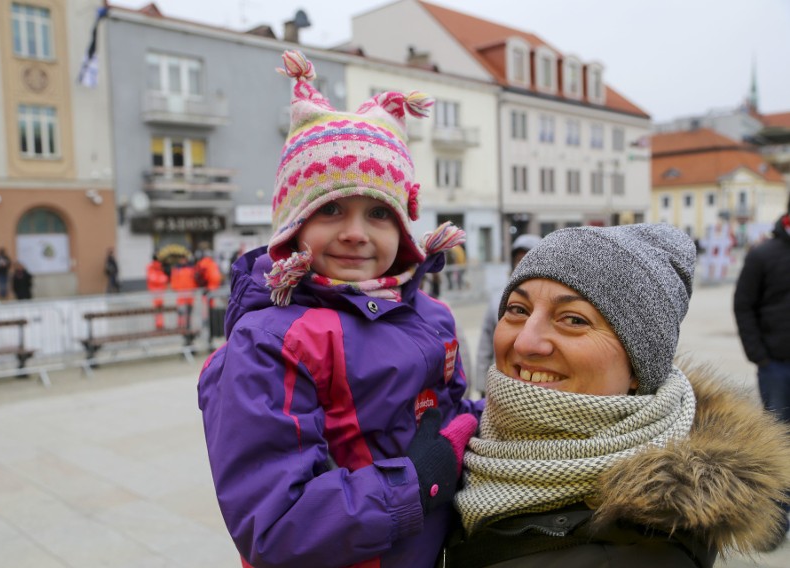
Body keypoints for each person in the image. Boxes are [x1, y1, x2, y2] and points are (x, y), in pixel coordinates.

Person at [198, 51, 482, 568]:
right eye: (330, 209)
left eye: (378, 212)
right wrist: (417, 482)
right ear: (292, 225)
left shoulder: (431, 314)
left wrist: (495, 419)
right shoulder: (271, 341)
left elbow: (454, 413)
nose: (355, 232)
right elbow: (274, 528)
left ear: (404, 228)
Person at [445, 224, 790, 567]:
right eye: (518, 310)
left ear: (639, 369)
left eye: (574, 319)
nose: (525, 342)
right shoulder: (459, 443)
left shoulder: (642, 551)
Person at [734, 208, 790, 424]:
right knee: (779, 439)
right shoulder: (762, 255)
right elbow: (743, 305)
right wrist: (759, 356)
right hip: (776, 366)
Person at [474, 233, 541, 396]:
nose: (524, 264)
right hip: (503, 384)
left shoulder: (553, 300)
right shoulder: (499, 298)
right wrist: (483, 385)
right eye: (519, 259)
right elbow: (485, 344)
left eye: (530, 258)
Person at [146, 252, 169, 330]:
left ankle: (160, 324)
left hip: (158, 292)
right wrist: (162, 279)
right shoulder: (153, 267)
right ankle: (158, 324)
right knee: (158, 309)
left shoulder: (158, 267)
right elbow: (156, 279)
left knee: (159, 309)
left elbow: (163, 278)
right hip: (156, 292)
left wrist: (162, 279)